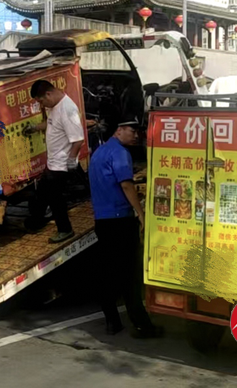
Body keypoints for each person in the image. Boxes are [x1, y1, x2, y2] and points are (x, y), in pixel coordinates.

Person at [89, 115, 163, 338]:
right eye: (132, 130)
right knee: (130, 275)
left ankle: (112, 321)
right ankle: (142, 326)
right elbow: (126, 185)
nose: (136, 135)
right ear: (118, 130)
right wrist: (141, 213)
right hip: (120, 219)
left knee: (108, 273)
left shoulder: (98, 153)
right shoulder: (120, 153)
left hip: (102, 220)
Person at [23, 80, 85, 244]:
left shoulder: (67, 110)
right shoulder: (54, 106)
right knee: (43, 192)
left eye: (41, 101)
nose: (41, 105)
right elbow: (51, 123)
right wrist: (35, 128)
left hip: (61, 164)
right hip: (53, 162)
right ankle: (36, 222)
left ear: (48, 94)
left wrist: (71, 160)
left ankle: (65, 230)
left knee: (55, 198)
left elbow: (78, 140)